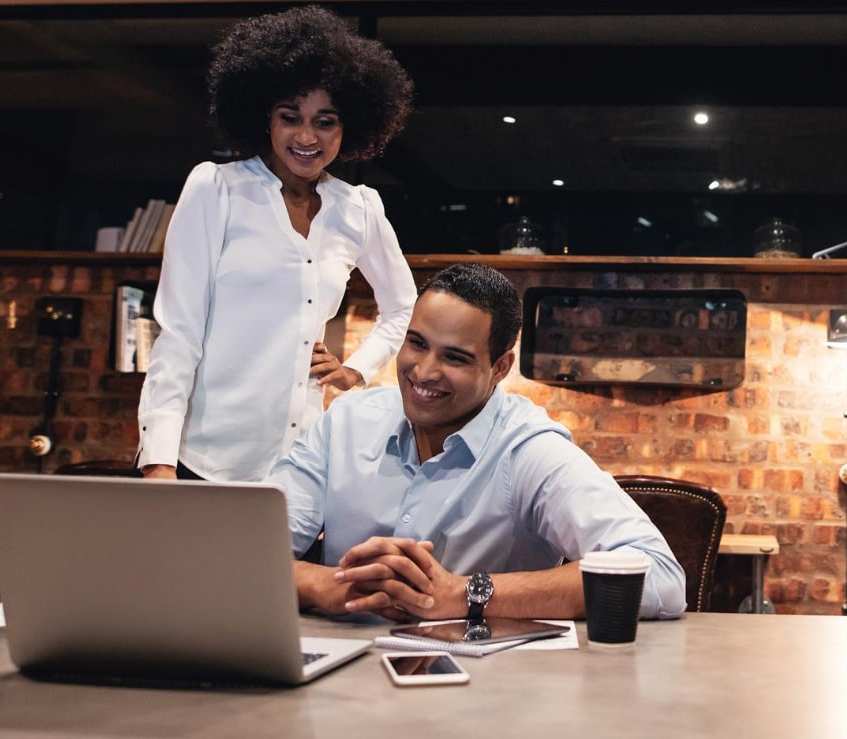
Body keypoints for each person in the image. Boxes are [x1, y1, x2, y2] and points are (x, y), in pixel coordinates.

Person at [271, 263, 687, 621]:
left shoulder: (528, 449)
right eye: (417, 343)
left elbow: (661, 576)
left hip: (487, 693)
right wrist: (326, 584)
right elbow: (241, 552)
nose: (424, 372)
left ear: (500, 367)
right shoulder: (346, 421)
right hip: (338, 687)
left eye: (455, 357)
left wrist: (465, 594)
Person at [137, 6, 417, 482]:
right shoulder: (216, 189)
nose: (306, 136)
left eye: (325, 121)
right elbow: (179, 333)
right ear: (264, 118)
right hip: (206, 460)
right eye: (291, 117)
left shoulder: (359, 209)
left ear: (348, 128)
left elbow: (404, 306)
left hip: (303, 464)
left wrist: (356, 370)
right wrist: (159, 460)